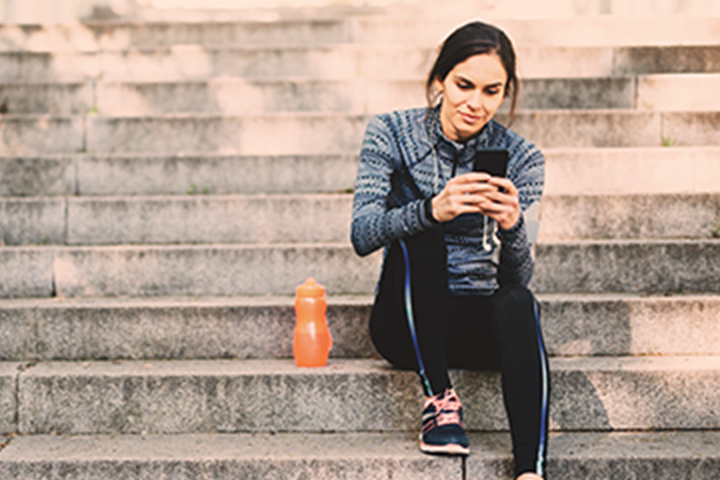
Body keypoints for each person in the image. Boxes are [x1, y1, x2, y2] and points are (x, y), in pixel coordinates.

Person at [350, 21, 549, 480]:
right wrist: (431, 210)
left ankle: (531, 469)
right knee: (420, 232)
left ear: (505, 93)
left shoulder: (524, 158)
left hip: (479, 324)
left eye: (491, 91)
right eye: (463, 85)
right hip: (407, 323)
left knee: (520, 302)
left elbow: (519, 278)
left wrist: (514, 225)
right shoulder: (390, 133)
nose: (475, 104)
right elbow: (362, 234)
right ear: (440, 79)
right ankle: (439, 400)